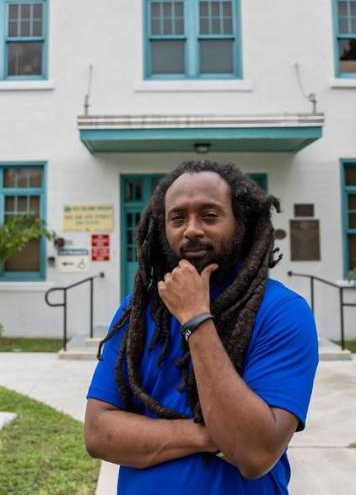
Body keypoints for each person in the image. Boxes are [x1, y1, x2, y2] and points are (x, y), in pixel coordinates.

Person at [84, 160, 319, 494]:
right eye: (177, 218)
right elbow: (98, 433)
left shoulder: (282, 312)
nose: (191, 229)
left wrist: (195, 317)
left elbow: (254, 454)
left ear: (241, 224)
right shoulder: (138, 309)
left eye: (209, 215)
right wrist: (213, 436)